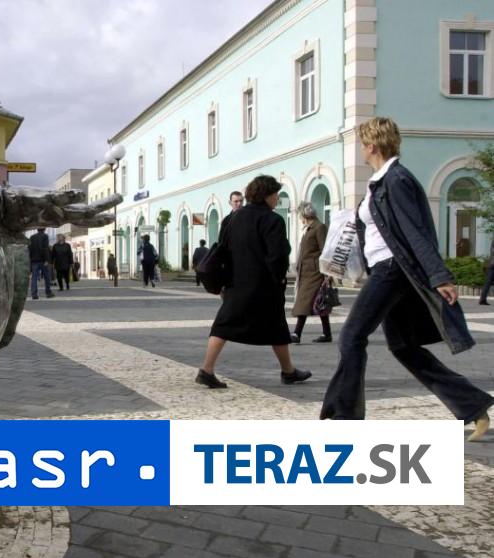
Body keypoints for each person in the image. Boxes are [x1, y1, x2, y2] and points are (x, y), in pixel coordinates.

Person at [319, 117, 490, 441]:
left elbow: (416, 230)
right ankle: (473, 405)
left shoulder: (396, 179)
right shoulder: (380, 181)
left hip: (392, 269)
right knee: (403, 346)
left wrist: (439, 275)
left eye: (362, 143)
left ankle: (345, 417)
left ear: (372, 145)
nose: (361, 149)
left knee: (352, 336)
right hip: (384, 268)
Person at [196, 175, 311, 389]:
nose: (277, 198)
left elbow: (223, 249)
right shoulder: (272, 220)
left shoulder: (232, 218)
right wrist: (279, 277)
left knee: (223, 326)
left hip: (235, 282)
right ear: (266, 195)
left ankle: (207, 370)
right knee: (276, 326)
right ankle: (288, 372)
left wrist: (224, 281)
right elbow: (277, 255)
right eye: (275, 194)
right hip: (264, 285)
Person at [291, 203, 332, 343]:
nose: (299, 218)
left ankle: (296, 333)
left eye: (300, 215)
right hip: (306, 272)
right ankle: (327, 334)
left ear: (304, 215)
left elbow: (324, 250)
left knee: (304, 302)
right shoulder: (309, 228)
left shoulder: (319, 227)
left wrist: (327, 273)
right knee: (319, 302)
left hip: (315, 272)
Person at [28, 227, 55, 300]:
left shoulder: (32, 237)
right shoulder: (45, 236)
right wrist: (46, 260)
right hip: (43, 260)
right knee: (47, 277)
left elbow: (29, 249)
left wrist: (30, 259)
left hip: (34, 260)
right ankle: (48, 292)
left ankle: (34, 294)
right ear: (44, 229)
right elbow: (45, 248)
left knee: (34, 278)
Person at [480, 239, 494, 305]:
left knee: (487, 282)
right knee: (487, 283)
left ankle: (482, 300)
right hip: (492, 265)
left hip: (491, 264)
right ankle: (482, 299)